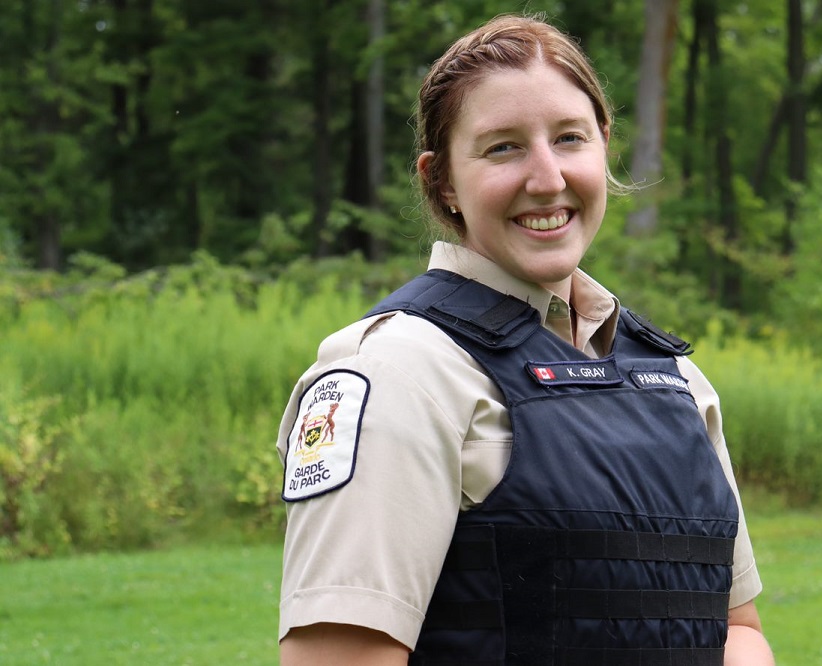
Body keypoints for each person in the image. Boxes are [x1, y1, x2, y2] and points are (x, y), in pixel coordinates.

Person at [276, 14, 774, 666]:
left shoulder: (677, 383)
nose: (546, 178)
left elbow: (738, 629)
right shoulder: (397, 377)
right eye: (503, 147)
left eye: (569, 138)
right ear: (442, 180)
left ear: (605, 148)